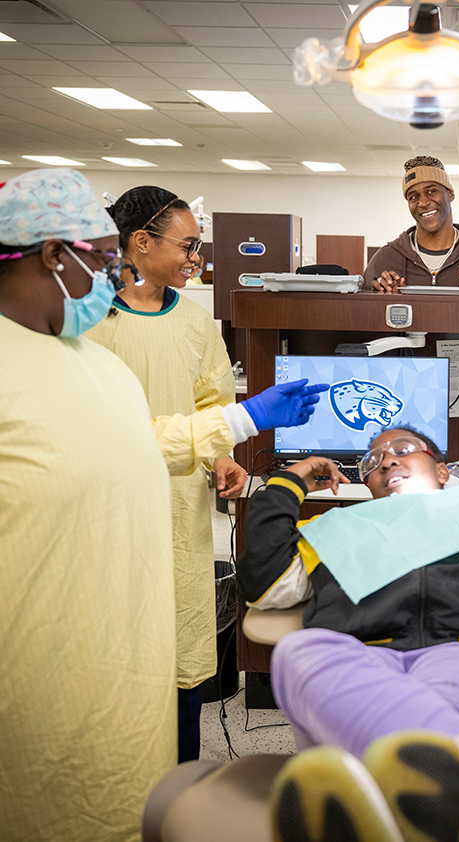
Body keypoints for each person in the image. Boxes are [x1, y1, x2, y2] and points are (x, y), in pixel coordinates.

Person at [0, 168, 328, 842]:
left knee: (162, 692)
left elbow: (150, 437)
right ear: (55, 255)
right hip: (49, 612)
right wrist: (240, 421)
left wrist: (234, 432)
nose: (110, 273)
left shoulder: (87, 363)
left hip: (150, 553)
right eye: (100, 256)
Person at [237, 427, 459, 841]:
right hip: (358, 658)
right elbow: (264, 585)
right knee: (297, 650)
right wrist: (289, 482)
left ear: (444, 471)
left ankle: (384, 802)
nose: (387, 460)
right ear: (366, 485)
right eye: (372, 462)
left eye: (403, 450)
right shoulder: (334, 530)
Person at [86, 186, 254, 761]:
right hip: (107, 505)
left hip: (180, 508)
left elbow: (212, 402)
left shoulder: (195, 322)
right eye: (187, 245)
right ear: (140, 242)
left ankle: (177, 785)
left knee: (181, 651)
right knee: (116, 646)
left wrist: (223, 457)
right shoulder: (92, 320)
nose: (195, 258)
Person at [366, 156, 459, 294]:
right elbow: (358, 316)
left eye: (431, 191)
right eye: (413, 196)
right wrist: (381, 301)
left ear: (450, 194)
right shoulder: (386, 259)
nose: (423, 202)